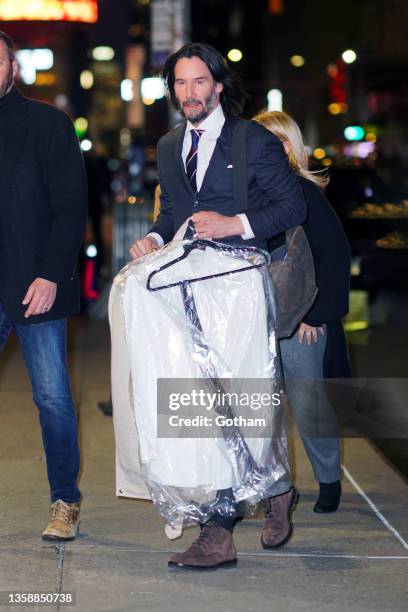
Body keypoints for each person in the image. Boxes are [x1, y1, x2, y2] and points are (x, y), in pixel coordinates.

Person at [129, 42, 307, 570]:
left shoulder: (251, 138)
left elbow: (292, 204)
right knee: (204, 406)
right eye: (180, 84)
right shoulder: (168, 145)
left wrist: (235, 225)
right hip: (190, 289)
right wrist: (155, 239)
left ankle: (263, 496)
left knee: (246, 396)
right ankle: (230, 519)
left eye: (199, 82)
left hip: (242, 289)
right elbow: (175, 212)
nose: (189, 93)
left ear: (219, 85)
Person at [0, 32, 87, 540]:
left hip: (37, 285)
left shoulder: (49, 124)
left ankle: (65, 502)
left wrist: (52, 273)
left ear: (14, 67)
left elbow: (71, 207)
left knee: (52, 397)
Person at [254, 110, 351, 513]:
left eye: (278, 141)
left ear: (292, 148)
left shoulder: (303, 192)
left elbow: (334, 256)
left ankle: (329, 480)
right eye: (262, 141)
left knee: (309, 403)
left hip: (302, 319)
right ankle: (274, 489)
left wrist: (316, 314)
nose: (270, 149)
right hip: (258, 317)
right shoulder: (249, 193)